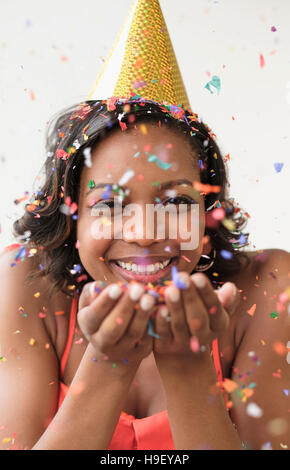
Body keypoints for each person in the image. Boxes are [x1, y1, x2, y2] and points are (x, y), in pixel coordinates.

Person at [0, 97, 289, 450]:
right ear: (72, 222)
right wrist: (108, 363)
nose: (143, 232)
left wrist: (190, 369)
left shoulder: (268, 285)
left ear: (208, 216)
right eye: (108, 204)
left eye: (177, 203)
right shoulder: (26, 281)